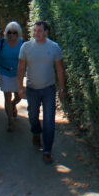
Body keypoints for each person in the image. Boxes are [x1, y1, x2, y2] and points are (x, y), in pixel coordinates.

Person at [18, 21, 65, 164]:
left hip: (49, 89)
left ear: (46, 32)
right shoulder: (26, 47)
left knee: (49, 120)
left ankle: (47, 151)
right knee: (32, 116)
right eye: (35, 31)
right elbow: (21, 68)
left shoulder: (54, 47)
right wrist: (20, 87)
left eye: (39, 31)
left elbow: (60, 69)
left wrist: (62, 89)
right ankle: (36, 131)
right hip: (32, 89)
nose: (36, 33)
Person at [0, 21, 24, 132]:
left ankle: (13, 104)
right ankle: (10, 121)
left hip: (17, 74)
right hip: (4, 73)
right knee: (7, 96)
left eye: (14, 33)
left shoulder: (22, 44)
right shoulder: (1, 43)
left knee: (19, 96)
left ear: (18, 33)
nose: (11, 35)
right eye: (9, 32)